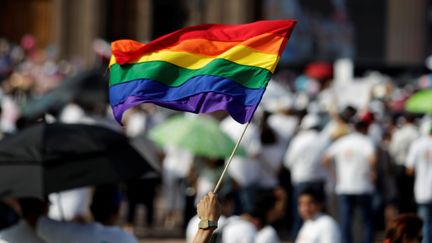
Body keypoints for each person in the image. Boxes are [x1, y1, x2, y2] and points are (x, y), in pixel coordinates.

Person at [322, 120, 376, 243]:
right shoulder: (365, 141)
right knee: (366, 220)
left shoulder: (342, 142)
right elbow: (372, 159)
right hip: (363, 186)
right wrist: (372, 172)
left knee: (346, 220)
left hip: (344, 186)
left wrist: (334, 174)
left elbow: (325, 159)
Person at [36, 185, 139, 243]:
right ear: (118, 212)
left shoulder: (71, 232)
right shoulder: (127, 239)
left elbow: (37, 221)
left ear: (91, 208)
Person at [284, 114, 327, 235]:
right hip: (319, 181)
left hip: (301, 180)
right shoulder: (323, 140)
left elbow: (288, 162)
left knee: (300, 214)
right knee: (317, 215)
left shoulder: (299, 140)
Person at [406, 128, 432, 243]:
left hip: (423, 190)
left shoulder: (417, 145)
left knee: (424, 224)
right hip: (424, 190)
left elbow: (409, 170)